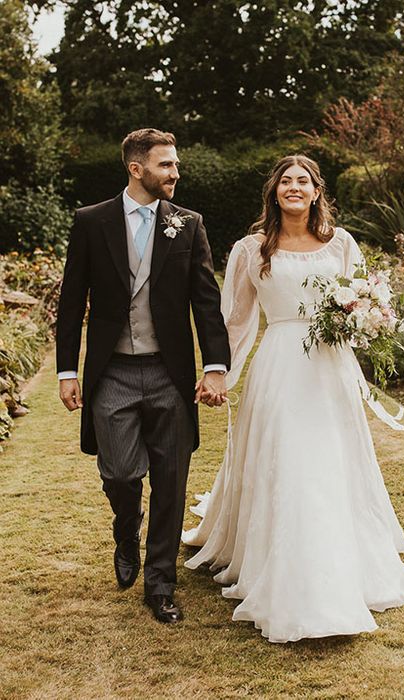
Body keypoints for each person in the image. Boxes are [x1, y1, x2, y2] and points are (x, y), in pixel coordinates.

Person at [182, 155, 404, 642]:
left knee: (330, 459)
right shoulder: (252, 249)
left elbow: (363, 301)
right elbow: (237, 319)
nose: (294, 187)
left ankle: (337, 559)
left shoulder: (343, 243)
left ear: (316, 191)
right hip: (279, 366)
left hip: (329, 367)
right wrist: (217, 371)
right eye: (286, 181)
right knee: (287, 460)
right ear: (275, 191)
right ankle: (282, 562)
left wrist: (366, 320)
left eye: (303, 181)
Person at [56, 128, 231, 624]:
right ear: (137, 169)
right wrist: (68, 370)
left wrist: (215, 366)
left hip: (168, 373)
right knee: (119, 472)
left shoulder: (188, 224)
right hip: (111, 372)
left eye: (176, 165)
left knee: (172, 481)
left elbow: (205, 300)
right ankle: (125, 526)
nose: (176, 173)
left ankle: (160, 584)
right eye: (167, 165)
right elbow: (72, 302)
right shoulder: (91, 221)